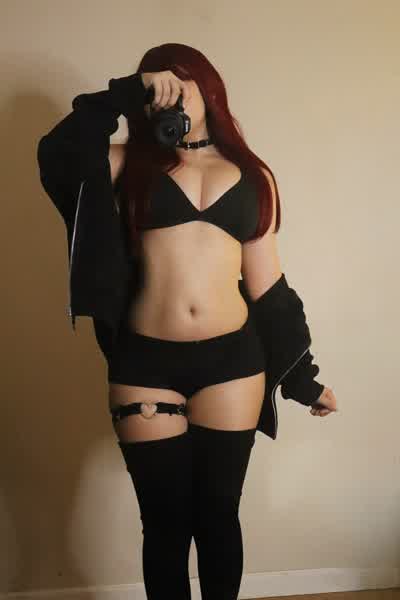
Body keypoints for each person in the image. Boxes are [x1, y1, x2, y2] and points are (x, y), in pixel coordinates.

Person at [37, 42, 337, 600]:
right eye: (159, 88)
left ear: (209, 88)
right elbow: (56, 152)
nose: (171, 96)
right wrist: (126, 93)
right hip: (145, 364)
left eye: (182, 82)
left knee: (218, 517)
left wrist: (303, 378)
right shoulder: (122, 165)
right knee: (165, 523)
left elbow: (270, 289)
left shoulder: (252, 175)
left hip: (233, 364)